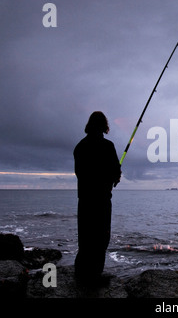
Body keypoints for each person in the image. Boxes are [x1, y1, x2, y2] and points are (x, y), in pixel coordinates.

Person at [73, 111, 121, 285]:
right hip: (101, 201)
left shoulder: (80, 147)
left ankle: (80, 274)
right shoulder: (108, 146)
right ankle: (95, 275)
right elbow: (115, 173)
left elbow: (80, 174)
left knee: (85, 238)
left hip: (85, 200)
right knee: (101, 239)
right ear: (104, 126)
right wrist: (115, 177)